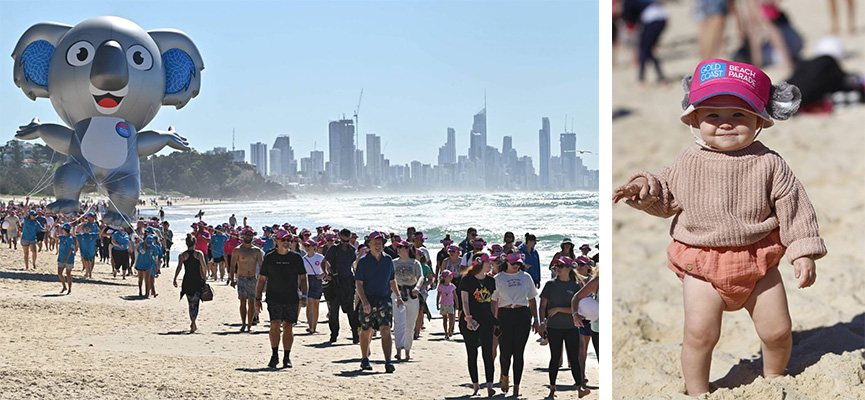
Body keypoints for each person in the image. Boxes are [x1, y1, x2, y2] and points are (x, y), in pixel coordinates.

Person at [612, 59, 824, 396]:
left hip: (759, 262)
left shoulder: (770, 163)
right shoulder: (689, 161)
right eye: (713, 115)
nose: (725, 123)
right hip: (702, 264)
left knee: (778, 331)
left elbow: (793, 206)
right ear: (694, 119)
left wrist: (803, 252)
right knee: (700, 334)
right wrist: (642, 187)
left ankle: (774, 376)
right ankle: (697, 389)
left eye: (738, 115)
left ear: (759, 120)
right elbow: (664, 193)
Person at [255, 229, 308, 369]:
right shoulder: (270, 257)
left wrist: (304, 296)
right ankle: (274, 355)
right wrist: (257, 298)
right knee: (275, 324)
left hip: (291, 297)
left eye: (289, 240)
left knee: (288, 326)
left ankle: (286, 357)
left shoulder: (296, 258)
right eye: (283, 240)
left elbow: (303, 278)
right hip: (273, 296)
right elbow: (262, 279)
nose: (286, 243)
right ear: (276, 242)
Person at [540, 257, 591, 398]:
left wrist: (558, 309)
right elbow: (542, 306)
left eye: (560, 266)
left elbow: (579, 310)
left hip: (572, 327)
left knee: (574, 358)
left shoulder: (576, 286)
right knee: (555, 358)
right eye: (556, 266)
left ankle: (579, 388)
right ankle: (552, 389)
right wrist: (542, 323)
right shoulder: (550, 285)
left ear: (569, 268)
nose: (557, 268)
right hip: (554, 327)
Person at [493, 252, 540, 397]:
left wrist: (536, 319)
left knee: (518, 352)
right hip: (504, 315)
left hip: (522, 315)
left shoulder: (526, 277)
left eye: (518, 263)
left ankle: (517, 386)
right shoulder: (498, 278)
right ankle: (505, 377)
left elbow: (532, 299)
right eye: (513, 263)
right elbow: (494, 301)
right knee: (506, 351)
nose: (516, 266)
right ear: (506, 262)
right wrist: (494, 321)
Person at [355, 232, 403, 373]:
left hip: (384, 299)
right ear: (369, 244)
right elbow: (359, 284)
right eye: (375, 243)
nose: (378, 245)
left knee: (386, 329)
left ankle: (388, 361)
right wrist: (364, 302)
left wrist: (398, 296)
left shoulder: (388, 260)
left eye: (380, 243)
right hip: (368, 299)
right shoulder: (363, 262)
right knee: (366, 330)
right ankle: (365, 359)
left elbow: (392, 280)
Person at [459, 253, 498, 397]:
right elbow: (465, 301)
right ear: (480, 263)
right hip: (470, 319)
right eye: (488, 262)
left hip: (486, 320)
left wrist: (495, 318)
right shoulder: (467, 280)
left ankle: (489, 386)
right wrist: (468, 318)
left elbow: (493, 302)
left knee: (488, 352)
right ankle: (476, 386)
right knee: (472, 353)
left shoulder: (490, 281)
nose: (491, 265)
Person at [323, 228, 360, 344]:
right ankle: (334, 334)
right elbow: (324, 262)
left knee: (350, 310)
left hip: (347, 282)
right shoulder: (334, 249)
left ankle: (355, 334)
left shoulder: (351, 250)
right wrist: (326, 274)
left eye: (347, 241)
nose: (345, 243)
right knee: (333, 310)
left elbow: (354, 265)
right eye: (343, 241)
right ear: (339, 237)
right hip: (335, 281)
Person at [391, 240, 424, 361]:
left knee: (410, 324)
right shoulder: (393, 262)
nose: (399, 249)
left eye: (401, 247)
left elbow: (421, 276)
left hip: (411, 294)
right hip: (397, 294)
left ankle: (407, 351)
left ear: (407, 249)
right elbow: (390, 278)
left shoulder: (415, 263)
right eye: (397, 247)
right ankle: (398, 350)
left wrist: (417, 287)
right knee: (398, 323)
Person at [230, 227, 263, 333]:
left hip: (253, 278)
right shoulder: (237, 250)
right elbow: (232, 266)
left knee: (252, 302)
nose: (249, 237)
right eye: (247, 235)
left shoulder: (257, 251)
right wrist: (232, 279)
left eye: (250, 235)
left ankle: (249, 324)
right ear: (243, 236)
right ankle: (243, 323)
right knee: (243, 301)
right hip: (242, 278)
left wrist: (262, 280)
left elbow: (261, 267)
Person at [174, 234, 208, 333]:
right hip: (197, 280)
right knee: (196, 302)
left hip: (187, 280)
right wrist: (205, 278)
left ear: (186, 243)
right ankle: (193, 322)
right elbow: (203, 266)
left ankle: (192, 322)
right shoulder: (199, 254)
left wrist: (175, 278)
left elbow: (179, 267)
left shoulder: (182, 255)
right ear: (195, 243)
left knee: (190, 303)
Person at [301, 240, 326, 333]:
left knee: (316, 304)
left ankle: (314, 326)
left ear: (314, 247)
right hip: (308, 280)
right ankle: (310, 326)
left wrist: (322, 275)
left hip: (317, 280)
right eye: (306, 246)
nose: (307, 247)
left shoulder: (320, 257)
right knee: (309, 302)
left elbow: (328, 268)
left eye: (309, 246)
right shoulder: (303, 259)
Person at [56, 224, 77, 294]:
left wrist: (66, 259)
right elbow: (54, 236)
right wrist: (55, 228)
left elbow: (70, 250)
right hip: (61, 257)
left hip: (68, 258)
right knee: (59, 273)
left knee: (68, 274)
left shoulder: (70, 238)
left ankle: (69, 289)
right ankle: (64, 286)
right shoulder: (62, 237)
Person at [437, 270, 457, 339]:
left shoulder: (452, 286)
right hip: (443, 304)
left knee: (451, 318)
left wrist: (457, 304)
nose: (451, 277)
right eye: (449, 276)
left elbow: (455, 295)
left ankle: (449, 331)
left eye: (451, 276)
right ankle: (446, 332)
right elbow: (438, 295)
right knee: (445, 319)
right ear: (445, 278)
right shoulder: (441, 286)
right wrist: (437, 303)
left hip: (451, 304)